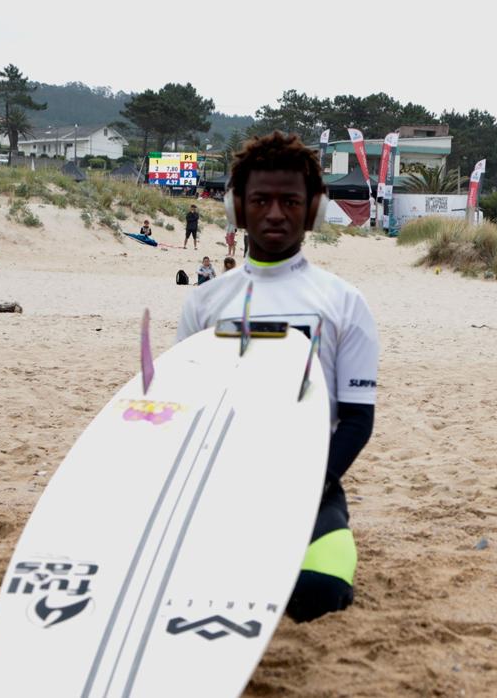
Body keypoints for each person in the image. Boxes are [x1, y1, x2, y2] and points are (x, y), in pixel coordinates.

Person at [177, 131, 379, 623]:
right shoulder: (205, 302)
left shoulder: (344, 303)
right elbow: (187, 405)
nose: (274, 213)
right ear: (238, 209)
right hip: (222, 482)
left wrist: (304, 487)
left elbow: (356, 421)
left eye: (290, 201)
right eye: (259, 200)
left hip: (310, 483)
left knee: (317, 594)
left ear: (310, 210)